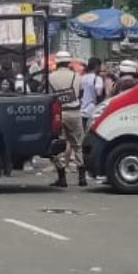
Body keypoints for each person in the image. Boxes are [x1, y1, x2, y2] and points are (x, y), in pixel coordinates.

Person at [47, 51, 85, 188]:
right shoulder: (76, 76)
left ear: (57, 62)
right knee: (78, 145)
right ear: (69, 62)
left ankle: (62, 176)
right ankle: (82, 177)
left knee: (57, 146)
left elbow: (48, 96)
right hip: (75, 112)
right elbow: (80, 92)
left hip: (59, 114)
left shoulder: (50, 77)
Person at [79, 57, 105, 132]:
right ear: (97, 66)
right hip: (93, 110)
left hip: (82, 110)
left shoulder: (82, 78)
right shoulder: (97, 79)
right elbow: (99, 93)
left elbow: (80, 92)